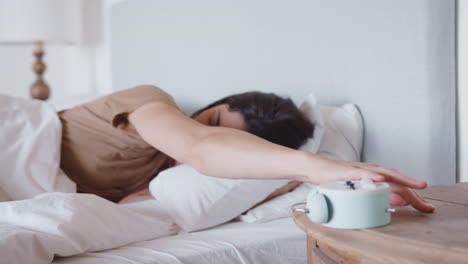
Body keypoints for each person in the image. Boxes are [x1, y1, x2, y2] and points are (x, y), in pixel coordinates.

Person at [59, 85, 434, 213]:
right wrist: (310, 167)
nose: (206, 132)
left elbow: (127, 211)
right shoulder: (151, 102)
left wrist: (273, 183)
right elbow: (199, 146)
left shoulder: (165, 178)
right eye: (211, 122)